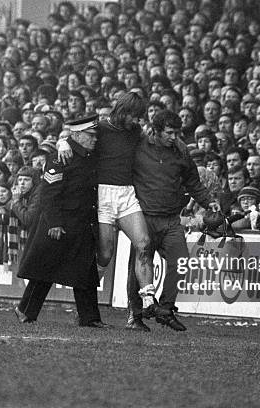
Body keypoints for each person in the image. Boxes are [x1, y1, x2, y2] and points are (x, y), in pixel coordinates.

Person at [57, 92, 170, 319]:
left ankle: (148, 300)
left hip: (127, 193)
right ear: (123, 112)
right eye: (135, 117)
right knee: (105, 254)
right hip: (103, 194)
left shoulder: (136, 132)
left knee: (144, 243)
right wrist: (61, 143)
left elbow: (155, 142)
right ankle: (85, 301)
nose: (138, 122)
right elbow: (72, 134)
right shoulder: (100, 127)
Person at [15, 114, 108, 328]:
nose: (95, 139)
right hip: (59, 223)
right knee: (44, 269)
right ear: (77, 134)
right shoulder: (59, 158)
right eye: (91, 135)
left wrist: (64, 140)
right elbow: (49, 194)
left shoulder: (90, 156)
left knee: (85, 271)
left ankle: (90, 318)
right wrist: (55, 223)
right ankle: (25, 310)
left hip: (82, 222)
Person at [126, 110, 213, 331]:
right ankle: (135, 316)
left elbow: (193, 181)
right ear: (155, 131)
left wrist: (208, 201)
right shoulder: (138, 147)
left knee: (181, 262)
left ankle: (165, 309)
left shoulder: (181, 150)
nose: (174, 137)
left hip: (171, 220)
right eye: (169, 133)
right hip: (142, 217)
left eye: (176, 133)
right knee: (137, 267)